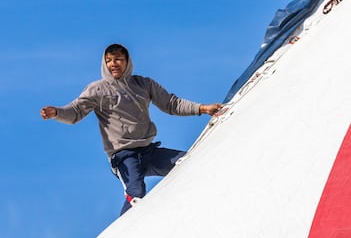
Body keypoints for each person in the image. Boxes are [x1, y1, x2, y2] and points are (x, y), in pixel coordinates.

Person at [40, 43, 223, 215]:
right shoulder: (98, 90)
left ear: (127, 62)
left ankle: (204, 204)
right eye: (109, 60)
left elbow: (171, 103)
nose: (113, 64)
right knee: (136, 193)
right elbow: (75, 111)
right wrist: (57, 112)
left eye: (118, 59)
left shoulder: (143, 84)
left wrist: (203, 108)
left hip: (149, 151)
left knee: (188, 161)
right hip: (124, 156)